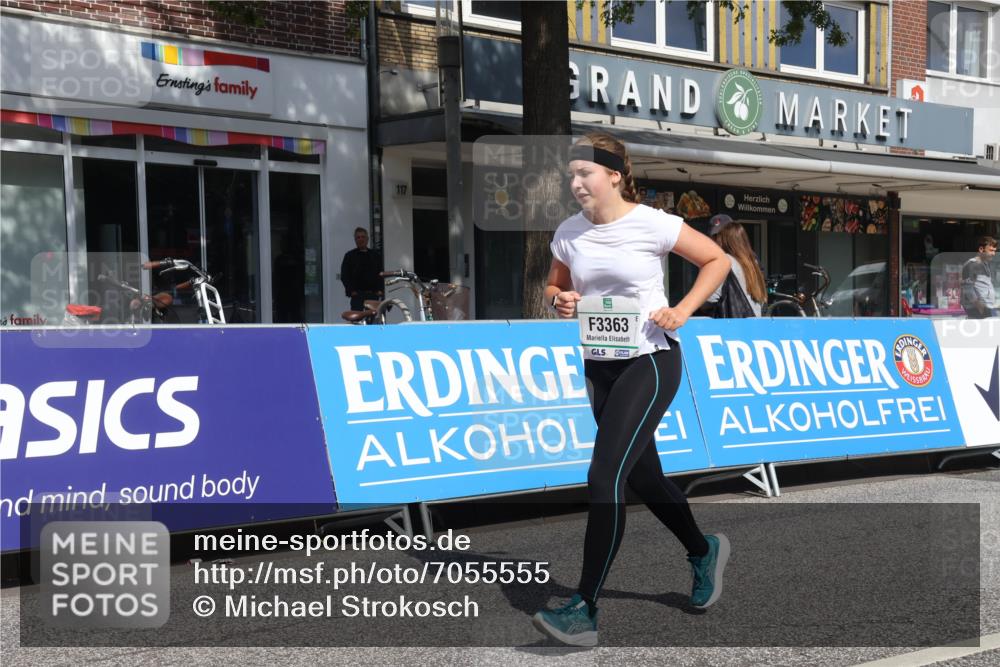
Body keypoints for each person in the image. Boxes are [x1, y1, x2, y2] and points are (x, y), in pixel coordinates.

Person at [534, 133, 732, 647]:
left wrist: (683, 310)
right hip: (602, 367)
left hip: (651, 360)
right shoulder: (570, 233)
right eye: (571, 175)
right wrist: (561, 298)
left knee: (604, 477)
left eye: (585, 174)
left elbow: (717, 261)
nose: (576, 183)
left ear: (614, 175)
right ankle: (702, 548)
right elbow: (554, 285)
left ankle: (585, 609)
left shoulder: (653, 223)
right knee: (645, 479)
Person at [705, 214, 767, 317]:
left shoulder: (724, 261)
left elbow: (708, 299)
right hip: (754, 325)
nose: (713, 242)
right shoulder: (753, 261)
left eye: (716, 237)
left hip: (732, 326)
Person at [340, 227, 383, 311]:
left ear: (367, 239)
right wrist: (351, 291)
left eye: (363, 237)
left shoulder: (375, 256)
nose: (361, 239)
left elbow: (380, 273)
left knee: (373, 321)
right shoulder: (349, 256)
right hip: (357, 296)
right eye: (358, 237)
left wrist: (380, 290)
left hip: (373, 295)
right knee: (357, 321)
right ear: (355, 240)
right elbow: (345, 275)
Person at [960, 235, 997, 319]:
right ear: (981, 249)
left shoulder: (985, 264)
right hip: (976, 311)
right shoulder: (971, 264)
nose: (993, 254)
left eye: (995, 251)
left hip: (985, 309)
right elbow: (967, 288)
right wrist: (980, 307)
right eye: (991, 250)